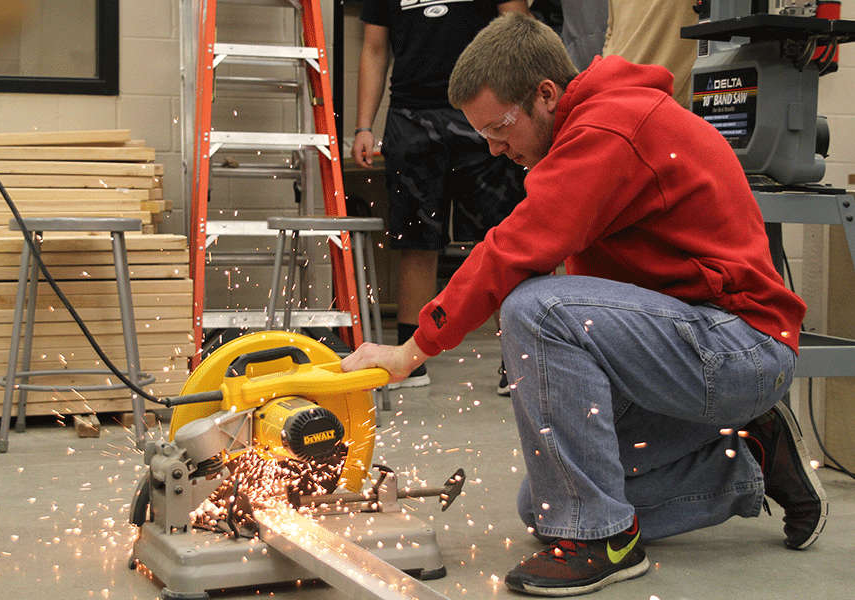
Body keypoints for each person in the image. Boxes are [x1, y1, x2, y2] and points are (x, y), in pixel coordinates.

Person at [342, 13, 828, 596]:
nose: (494, 149)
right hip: (693, 349)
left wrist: (413, 350)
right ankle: (749, 458)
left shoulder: (611, 129)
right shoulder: (581, 132)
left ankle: (606, 541)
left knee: (535, 308)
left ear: (546, 94)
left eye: (500, 128)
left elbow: (512, 249)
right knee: (545, 505)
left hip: (742, 347)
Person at [350, 0, 529, 390]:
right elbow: (375, 48)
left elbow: (519, 28)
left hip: (483, 109)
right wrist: (364, 125)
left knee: (503, 240)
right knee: (415, 240)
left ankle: (518, 363)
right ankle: (408, 363)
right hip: (410, 115)